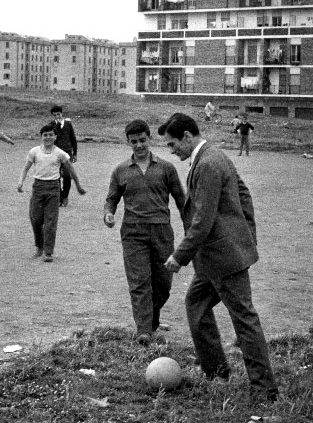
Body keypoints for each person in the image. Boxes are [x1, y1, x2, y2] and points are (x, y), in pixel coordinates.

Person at [158, 113, 278, 404]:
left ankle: (265, 390)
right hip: (215, 257)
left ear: (187, 136)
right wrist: (243, 235)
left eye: (173, 144)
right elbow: (244, 195)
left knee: (244, 319)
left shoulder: (209, 162)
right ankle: (216, 371)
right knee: (196, 304)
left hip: (223, 259)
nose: (171, 151)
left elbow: (203, 220)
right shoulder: (211, 157)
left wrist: (179, 255)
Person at [104, 119, 185, 346]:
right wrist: (108, 214)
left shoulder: (166, 168)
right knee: (139, 282)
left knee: (163, 284)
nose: (139, 145)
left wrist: (192, 229)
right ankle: (143, 331)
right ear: (128, 142)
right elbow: (111, 199)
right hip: (133, 232)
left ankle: (151, 321)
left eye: (142, 140)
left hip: (161, 231)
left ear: (149, 138)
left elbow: (181, 200)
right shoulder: (121, 170)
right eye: (134, 142)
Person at [17, 122, 86, 262]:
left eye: (50, 135)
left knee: (50, 221)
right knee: (35, 219)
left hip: (53, 189)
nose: (48, 137)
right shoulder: (34, 151)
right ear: (41, 137)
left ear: (55, 137)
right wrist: (20, 182)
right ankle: (39, 246)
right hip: (37, 188)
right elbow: (26, 168)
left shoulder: (60, 153)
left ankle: (48, 252)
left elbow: (71, 170)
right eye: (45, 135)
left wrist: (78, 186)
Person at [50, 105, 78, 207]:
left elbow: (73, 138)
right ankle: (59, 197)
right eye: (55, 115)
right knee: (56, 177)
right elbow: (50, 139)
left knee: (67, 175)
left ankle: (65, 195)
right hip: (55, 154)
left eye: (58, 114)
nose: (57, 116)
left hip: (67, 154)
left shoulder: (68, 124)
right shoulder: (51, 125)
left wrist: (75, 153)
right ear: (52, 116)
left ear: (62, 114)